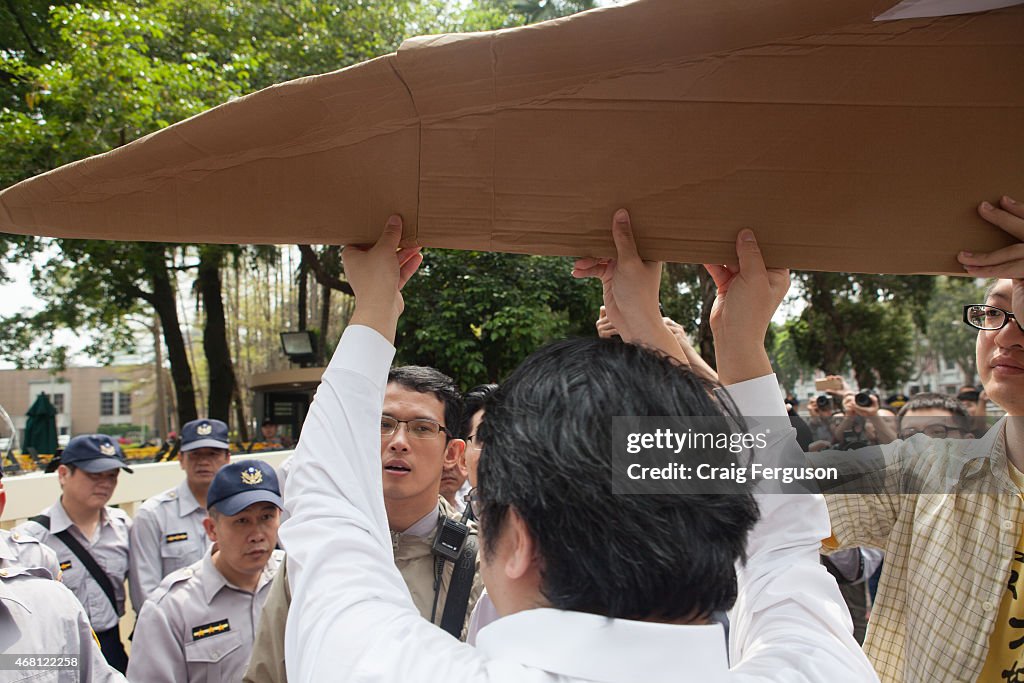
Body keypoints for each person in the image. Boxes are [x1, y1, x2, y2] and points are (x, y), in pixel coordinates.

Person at [277, 212, 876, 682]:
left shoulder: (390, 667)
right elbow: (781, 544)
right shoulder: (816, 667)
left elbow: (329, 517)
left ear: (520, 543)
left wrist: (377, 305)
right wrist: (722, 338)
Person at [821, 194, 1024, 682]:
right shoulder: (924, 475)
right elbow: (767, 494)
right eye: (997, 312)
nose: (1007, 336)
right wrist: (732, 336)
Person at [243, 367, 484, 683]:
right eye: (383, 424)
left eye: (422, 428)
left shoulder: (481, 562)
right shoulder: (318, 552)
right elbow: (266, 674)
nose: (398, 442)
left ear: (452, 453)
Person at [127, 459, 285, 683]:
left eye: (266, 517)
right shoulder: (171, 609)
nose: (257, 534)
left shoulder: (294, 580)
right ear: (212, 529)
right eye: (242, 521)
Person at [15, 434, 133, 673]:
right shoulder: (32, 539)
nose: (105, 484)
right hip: (58, 652)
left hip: (110, 646)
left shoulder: (122, 527)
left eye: (112, 476)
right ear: (63, 474)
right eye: (94, 475)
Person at [129, 418, 232, 609]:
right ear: (181, 460)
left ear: (227, 458)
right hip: (175, 627)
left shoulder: (240, 512)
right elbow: (146, 593)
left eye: (213, 454)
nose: (204, 462)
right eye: (195, 455)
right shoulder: (154, 514)